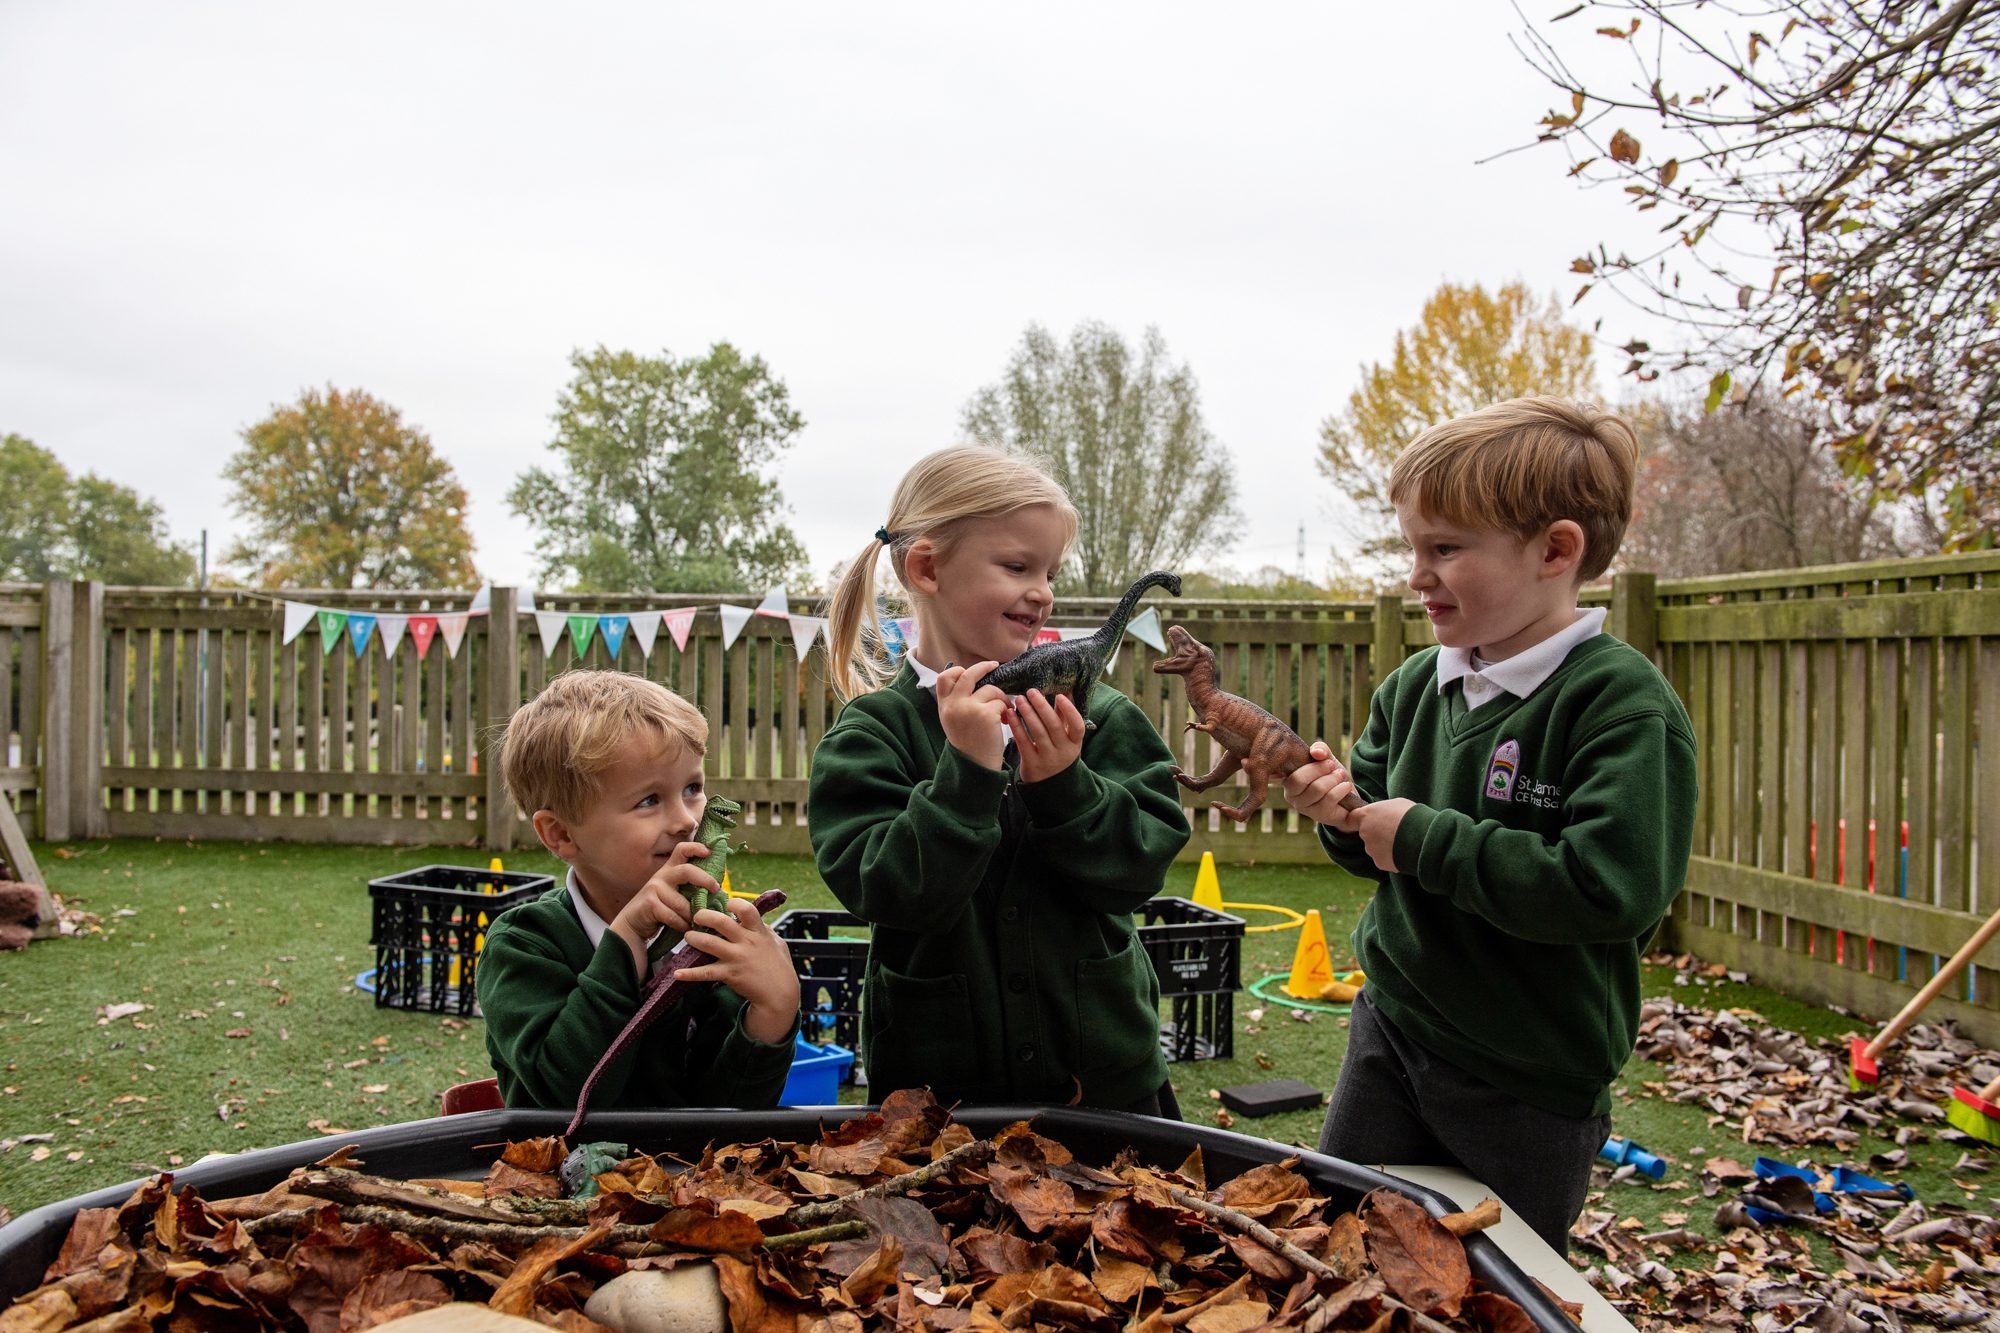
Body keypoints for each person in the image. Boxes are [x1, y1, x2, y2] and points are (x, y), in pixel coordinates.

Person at [1284, 396, 1696, 1252]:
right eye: (1412, 547)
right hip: (1393, 1027)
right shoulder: (1413, 687)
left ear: (1555, 550)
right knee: (1344, 1244)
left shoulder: (1618, 703)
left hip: (1529, 1075)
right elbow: (1375, 844)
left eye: (1445, 549)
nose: (1416, 574)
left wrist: (1424, 839)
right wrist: (1341, 814)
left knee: (1498, 1279)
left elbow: (1610, 889)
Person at [808, 445, 1191, 1115]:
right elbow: (888, 892)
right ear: (927, 568)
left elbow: (1138, 871)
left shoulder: (1099, 717)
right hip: (939, 1103)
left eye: (1050, 571)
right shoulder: (873, 734)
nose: (1042, 591)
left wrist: (1067, 786)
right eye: (1017, 567)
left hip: (1106, 1085)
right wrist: (967, 772)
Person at [478, 670, 801, 1109]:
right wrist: (627, 938)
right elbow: (566, 1098)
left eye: (692, 788)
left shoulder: (713, 937)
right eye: (648, 800)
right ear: (561, 834)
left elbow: (728, 1112)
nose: (686, 820)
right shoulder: (523, 946)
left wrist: (773, 1014)